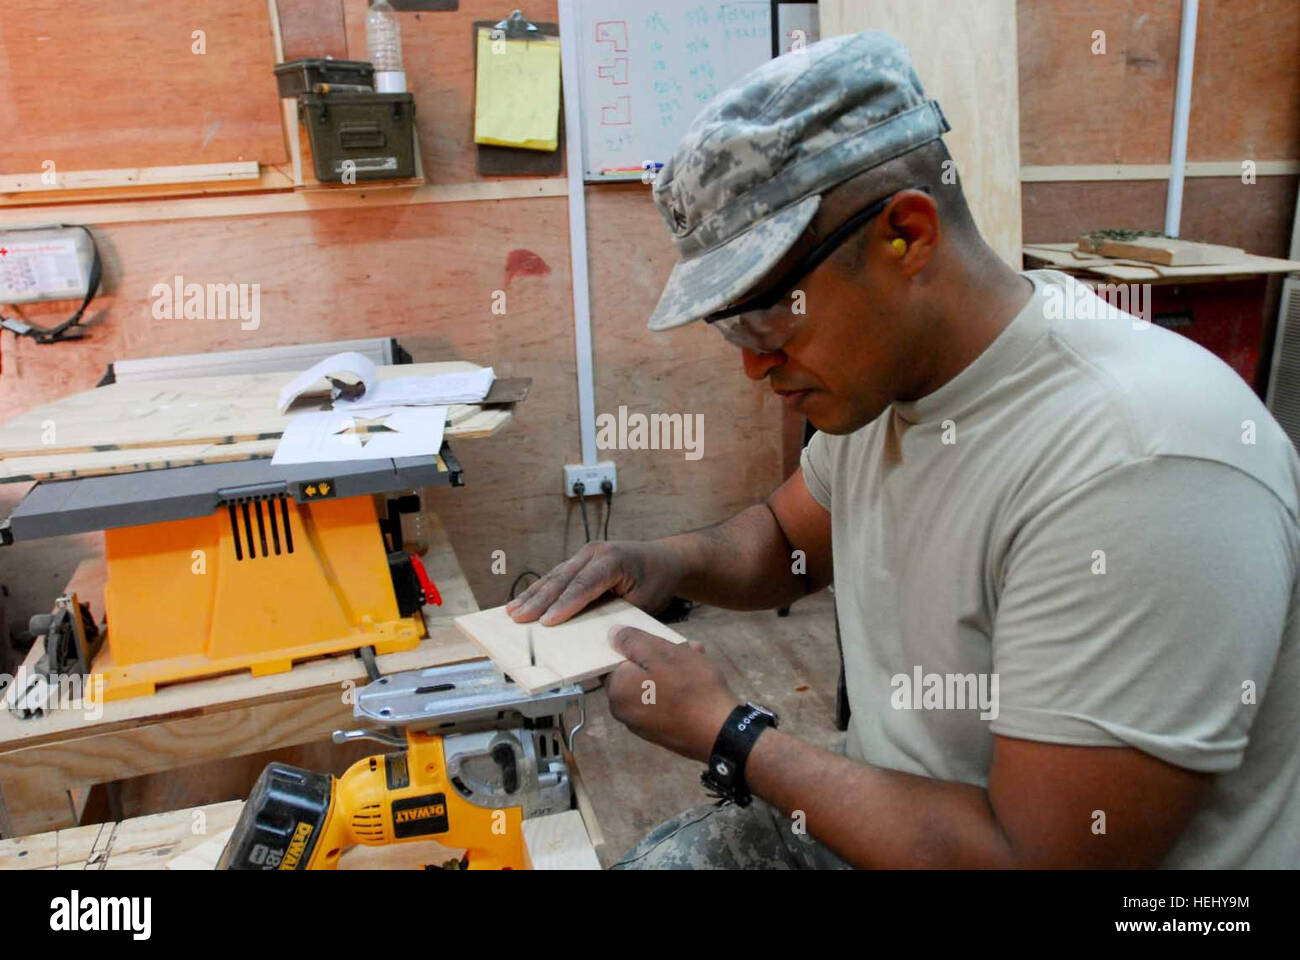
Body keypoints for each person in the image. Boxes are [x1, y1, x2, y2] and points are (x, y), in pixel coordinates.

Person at [507, 31, 1300, 868]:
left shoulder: (1140, 462)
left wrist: (732, 733)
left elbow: (1035, 861)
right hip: (904, 824)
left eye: (767, 318)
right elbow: (786, 542)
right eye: (729, 326)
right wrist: (661, 561)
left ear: (907, 236)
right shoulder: (888, 385)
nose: (751, 364)